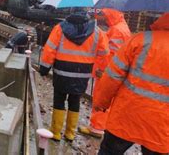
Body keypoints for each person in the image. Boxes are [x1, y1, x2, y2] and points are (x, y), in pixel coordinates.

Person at [93, 13, 169, 155]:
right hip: (162, 126)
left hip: (126, 115)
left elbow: (112, 76)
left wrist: (101, 103)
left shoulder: (140, 40)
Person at [39, 11, 109, 141]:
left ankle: (55, 132)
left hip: (62, 71)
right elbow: (104, 53)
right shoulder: (97, 31)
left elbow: (50, 49)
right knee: (75, 100)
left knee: (59, 100)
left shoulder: (60, 28)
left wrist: (44, 68)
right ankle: (70, 133)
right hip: (82, 73)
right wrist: (100, 70)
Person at [79, 8, 131, 138]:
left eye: (104, 16)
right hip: (113, 72)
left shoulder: (117, 30)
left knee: (101, 99)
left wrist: (102, 70)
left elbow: (110, 54)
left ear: (110, 15)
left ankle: (97, 128)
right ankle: (101, 125)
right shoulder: (121, 27)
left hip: (107, 72)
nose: (104, 19)